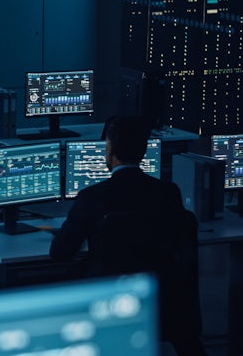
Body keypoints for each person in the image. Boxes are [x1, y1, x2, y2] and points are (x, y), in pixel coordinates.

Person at [49, 115, 204, 355]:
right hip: (162, 300)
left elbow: (60, 253)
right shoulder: (168, 193)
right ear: (144, 151)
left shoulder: (92, 196)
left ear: (109, 148)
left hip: (110, 303)